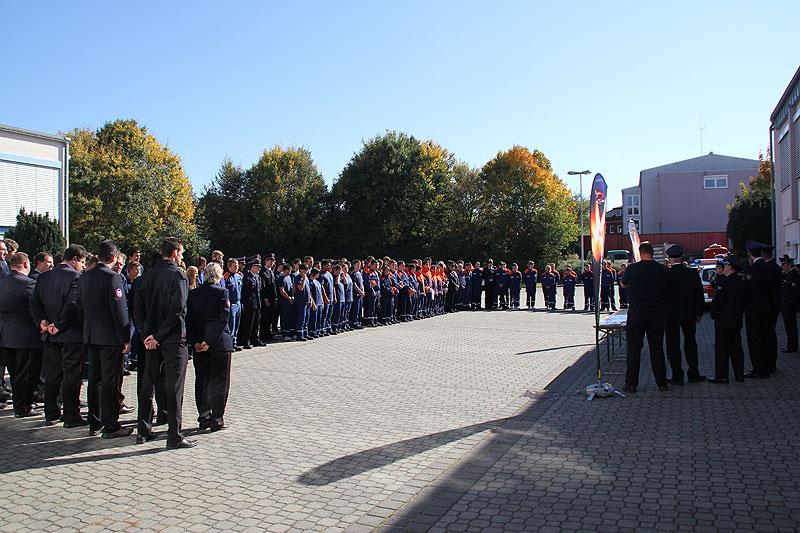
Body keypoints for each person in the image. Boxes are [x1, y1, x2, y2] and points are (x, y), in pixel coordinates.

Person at [133, 237, 195, 449]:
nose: (182, 257)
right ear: (175, 253)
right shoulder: (178, 276)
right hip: (172, 339)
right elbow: (178, 311)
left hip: (151, 340)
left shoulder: (145, 277)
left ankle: (143, 430)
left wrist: (146, 335)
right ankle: (174, 435)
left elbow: (137, 310)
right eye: (182, 253)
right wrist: (156, 337)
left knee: (147, 384)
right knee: (174, 386)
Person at [75, 241, 132, 438]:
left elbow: (79, 307)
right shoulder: (113, 278)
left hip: (91, 335)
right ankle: (111, 424)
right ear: (115, 257)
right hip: (110, 337)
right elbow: (120, 311)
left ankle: (95, 421)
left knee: (95, 379)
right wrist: (126, 337)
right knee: (110, 381)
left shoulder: (84, 277)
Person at [30, 244, 89, 427]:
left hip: (49, 334)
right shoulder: (77, 277)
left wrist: (42, 321)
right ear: (75, 260)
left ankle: (51, 412)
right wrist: (60, 325)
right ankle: (71, 415)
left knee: (52, 375)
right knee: (72, 375)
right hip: (70, 334)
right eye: (82, 262)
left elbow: (35, 303)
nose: (83, 266)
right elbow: (72, 303)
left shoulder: (44, 277)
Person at [187, 262, 232, 431]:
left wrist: (196, 341)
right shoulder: (222, 293)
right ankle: (217, 418)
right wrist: (209, 341)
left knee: (203, 381)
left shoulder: (194, 294)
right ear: (219, 276)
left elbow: (189, 320)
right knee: (220, 381)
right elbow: (222, 319)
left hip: (200, 344)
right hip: (219, 343)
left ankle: (204, 416)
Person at [620, 241, 669, 393]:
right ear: (652, 253)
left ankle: (631, 384)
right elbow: (668, 287)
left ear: (640, 253)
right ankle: (662, 383)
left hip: (637, 312)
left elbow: (623, 284)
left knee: (634, 348)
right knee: (657, 348)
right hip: (656, 312)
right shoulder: (662, 269)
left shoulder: (632, 268)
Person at [0, 252, 43, 418]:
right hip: (27, 337)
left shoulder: (2, 283)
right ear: (26, 265)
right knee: (27, 375)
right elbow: (36, 310)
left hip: (6, 337)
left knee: (15, 373)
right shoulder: (29, 284)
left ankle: (19, 405)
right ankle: (23, 406)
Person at [664, 245, 706, 385]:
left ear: (669, 259)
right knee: (691, 343)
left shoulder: (666, 275)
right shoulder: (692, 274)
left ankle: (677, 375)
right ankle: (693, 373)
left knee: (672, 345)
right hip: (689, 314)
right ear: (682, 258)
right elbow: (699, 294)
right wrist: (699, 313)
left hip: (670, 316)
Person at [744, 241, 781, 378]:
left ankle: (759, 369)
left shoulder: (753, 269)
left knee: (756, 339)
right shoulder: (772, 267)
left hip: (756, 310)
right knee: (769, 336)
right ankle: (771, 365)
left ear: (749, 253)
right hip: (771, 308)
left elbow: (749, 291)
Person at [709, 256, 746, 384]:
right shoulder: (740, 281)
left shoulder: (725, 282)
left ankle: (722, 376)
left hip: (724, 321)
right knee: (736, 348)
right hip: (736, 320)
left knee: (722, 349)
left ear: (730, 267)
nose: (723, 267)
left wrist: (713, 313)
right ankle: (739, 375)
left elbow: (718, 301)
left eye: (725, 265)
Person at [239, 255, 263, 349]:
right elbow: (244, 292)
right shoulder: (247, 277)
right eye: (257, 267)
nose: (259, 269)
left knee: (256, 323)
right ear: (252, 267)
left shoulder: (257, 277)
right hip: (249, 304)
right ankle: (246, 341)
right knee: (248, 323)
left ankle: (255, 339)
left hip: (257, 303)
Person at [779, 254, 799, 353]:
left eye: (785, 265)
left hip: (790, 304)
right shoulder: (787, 274)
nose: (783, 267)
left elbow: (793, 290)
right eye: (782, 265)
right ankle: (790, 344)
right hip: (786, 304)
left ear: (789, 265)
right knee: (788, 326)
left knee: (791, 326)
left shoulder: (794, 273)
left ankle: (792, 346)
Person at [224, 258, 242, 351]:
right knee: (231, 324)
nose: (237, 268)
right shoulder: (226, 276)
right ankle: (229, 343)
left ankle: (234, 342)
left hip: (238, 302)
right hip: (231, 303)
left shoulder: (238, 276)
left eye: (237, 266)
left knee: (237, 324)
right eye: (235, 266)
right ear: (229, 266)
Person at [259, 254, 278, 341]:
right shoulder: (262, 272)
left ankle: (268, 333)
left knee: (270, 317)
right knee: (265, 317)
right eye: (270, 261)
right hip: (266, 299)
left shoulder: (271, 271)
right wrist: (265, 298)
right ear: (265, 261)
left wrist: (275, 297)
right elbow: (263, 286)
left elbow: (273, 286)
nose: (271, 262)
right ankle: (263, 335)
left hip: (272, 298)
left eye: (272, 261)